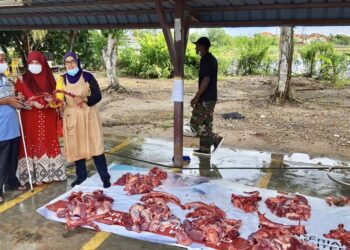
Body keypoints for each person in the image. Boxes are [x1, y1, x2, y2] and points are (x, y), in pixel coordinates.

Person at [57, 51, 111, 188]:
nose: (70, 64)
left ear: (77, 62)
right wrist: (56, 103)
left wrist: (85, 99)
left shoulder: (87, 76)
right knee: (77, 147)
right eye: (67, 62)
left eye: (72, 61)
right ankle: (81, 177)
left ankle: (105, 177)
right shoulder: (61, 79)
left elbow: (98, 95)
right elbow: (58, 99)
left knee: (96, 145)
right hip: (72, 117)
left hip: (89, 116)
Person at [16, 51, 66, 185]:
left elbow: (57, 98)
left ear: (43, 63)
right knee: (30, 141)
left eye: (37, 62)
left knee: (47, 140)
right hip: (29, 117)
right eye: (31, 63)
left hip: (48, 116)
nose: (34, 65)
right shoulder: (22, 79)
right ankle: (31, 175)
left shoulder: (51, 79)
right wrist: (31, 103)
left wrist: (51, 102)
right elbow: (19, 101)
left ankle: (49, 174)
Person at [190, 37, 224, 155]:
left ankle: (216, 138)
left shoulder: (206, 60)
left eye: (197, 45)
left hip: (206, 98)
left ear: (203, 46)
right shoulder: (211, 59)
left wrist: (197, 96)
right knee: (206, 123)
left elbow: (206, 79)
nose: (196, 47)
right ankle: (205, 149)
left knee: (195, 123)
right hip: (211, 97)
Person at [0, 50, 26, 203]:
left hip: (13, 125)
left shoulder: (6, 79)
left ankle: (11, 182)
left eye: (3, 59)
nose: (2, 62)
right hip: (1, 128)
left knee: (12, 157)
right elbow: (6, 99)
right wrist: (8, 100)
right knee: (1, 160)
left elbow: (11, 97)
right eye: (0, 60)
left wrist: (17, 98)